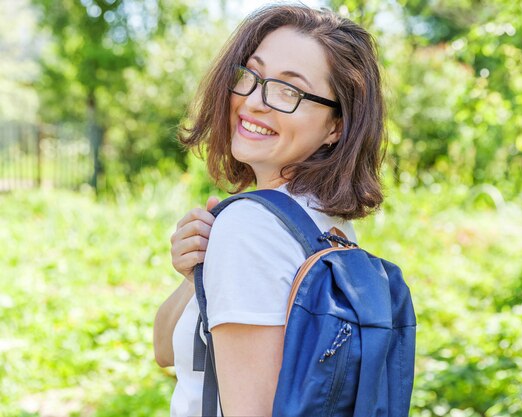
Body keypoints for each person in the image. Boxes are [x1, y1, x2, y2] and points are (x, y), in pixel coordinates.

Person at [153, 3, 385, 416]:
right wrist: (197, 277)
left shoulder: (249, 228)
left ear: (337, 126)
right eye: (251, 75)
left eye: (288, 90)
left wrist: (230, 242)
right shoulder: (326, 226)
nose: (255, 101)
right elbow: (165, 351)